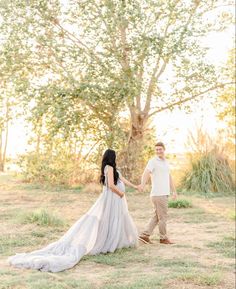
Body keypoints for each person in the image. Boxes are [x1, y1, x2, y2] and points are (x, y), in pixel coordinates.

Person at [8, 149, 139, 272]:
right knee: (106, 219)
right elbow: (111, 185)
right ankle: (107, 242)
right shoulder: (109, 168)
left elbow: (123, 179)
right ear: (112, 157)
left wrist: (135, 186)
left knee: (114, 219)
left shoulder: (114, 169)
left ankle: (113, 241)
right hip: (113, 198)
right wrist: (121, 193)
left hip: (115, 200)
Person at [138, 142, 177, 245]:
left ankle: (144, 235)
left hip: (164, 193)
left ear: (164, 149)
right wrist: (142, 184)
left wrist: (174, 191)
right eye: (157, 149)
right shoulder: (153, 161)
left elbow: (169, 177)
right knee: (163, 217)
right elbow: (146, 172)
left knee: (156, 216)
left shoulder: (166, 162)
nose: (158, 151)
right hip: (158, 193)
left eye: (160, 149)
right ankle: (163, 238)